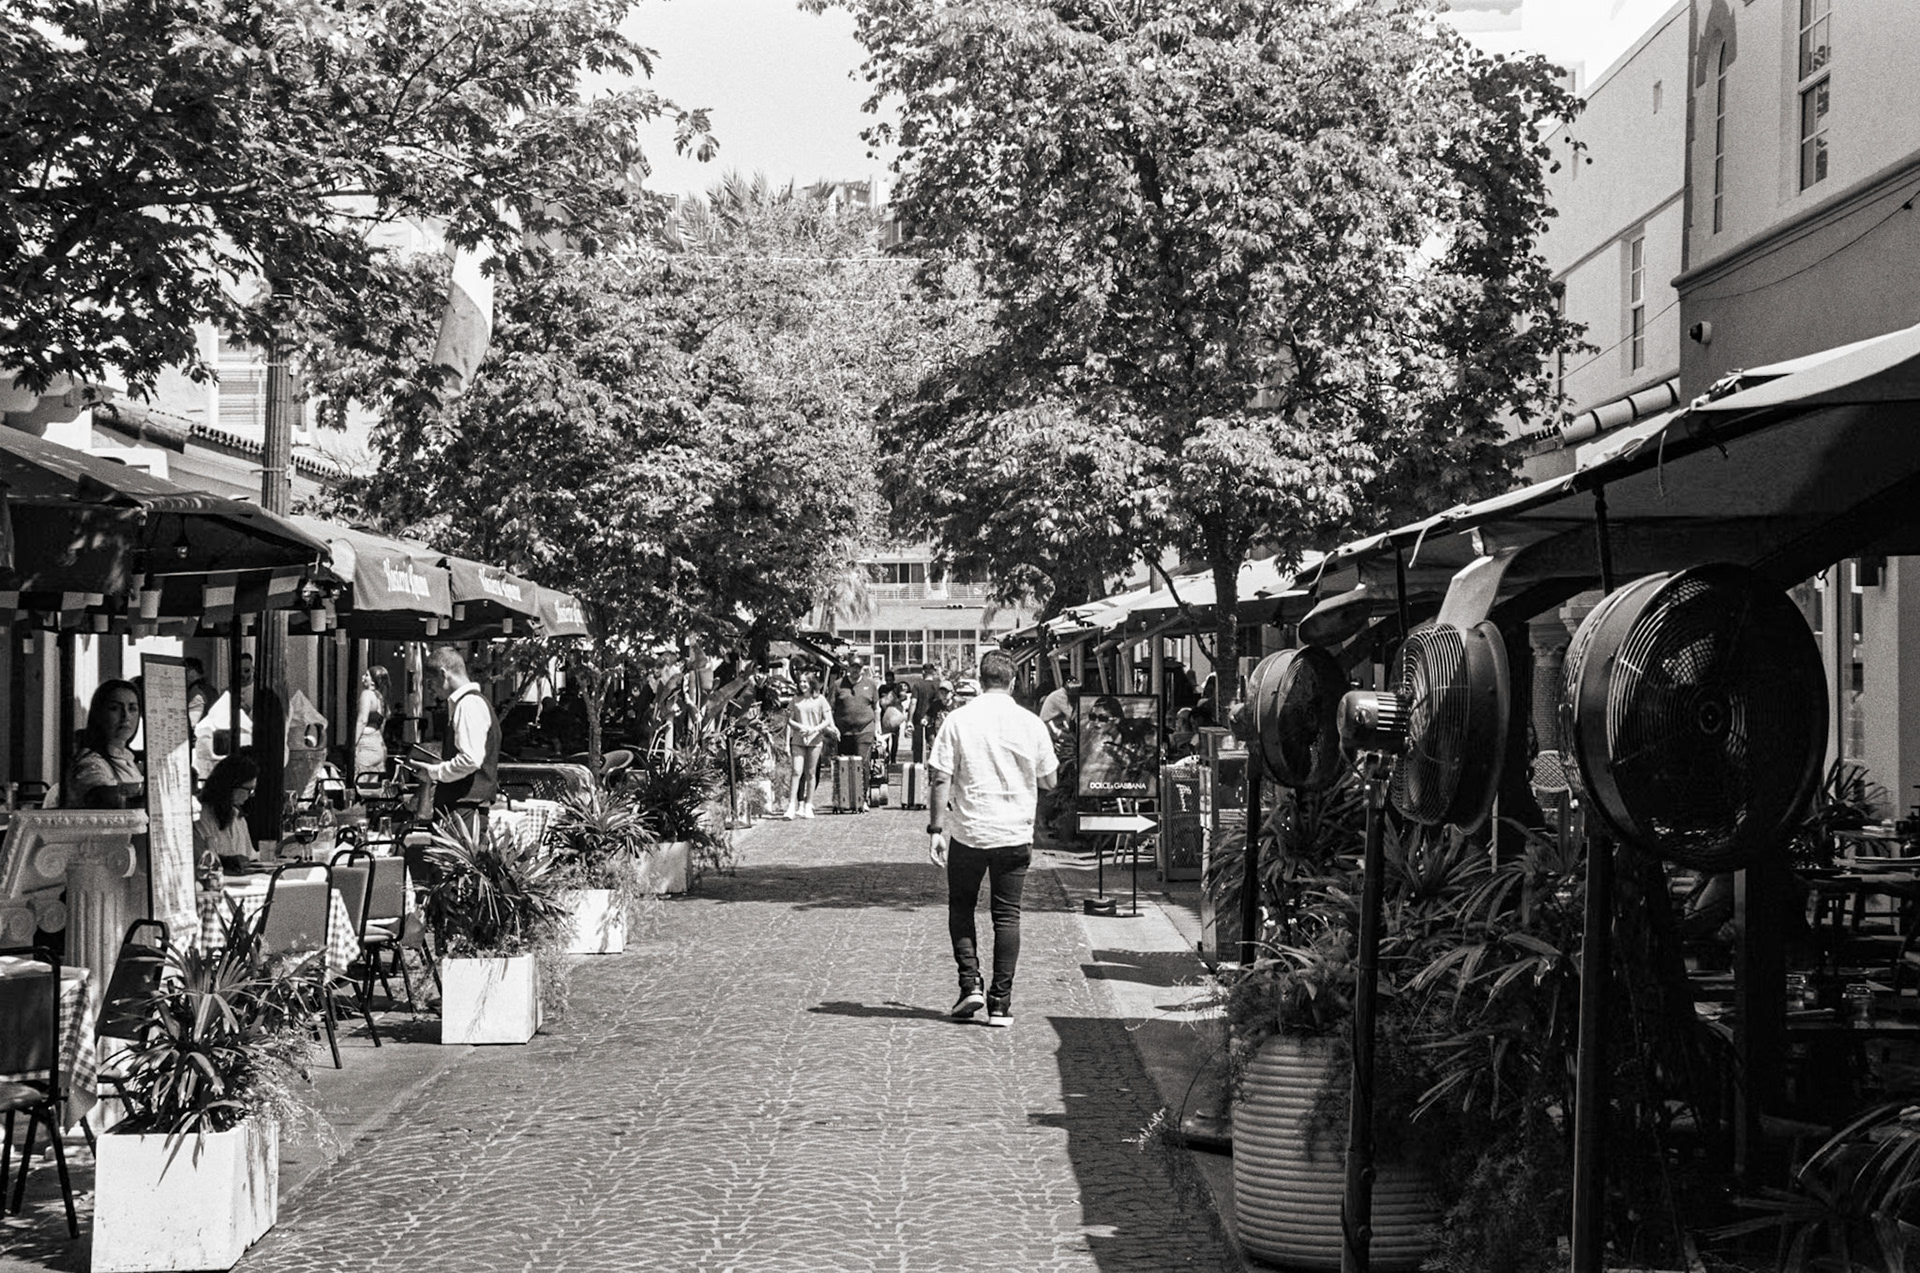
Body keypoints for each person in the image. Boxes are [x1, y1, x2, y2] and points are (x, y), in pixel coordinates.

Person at [927, 650, 1059, 1028]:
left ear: (981, 680)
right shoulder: (1031, 723)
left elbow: (940, 777)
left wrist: (936, 829)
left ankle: (970, 983)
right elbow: (1049, 780)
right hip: (1015, 832)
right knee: (1007, 915)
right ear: (1013, 681)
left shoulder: (958, 719)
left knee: (962, 907)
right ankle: (1000, 1004)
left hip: (970, 831)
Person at [409, 646, 501, 840]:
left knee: (454, 869)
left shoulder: (469, 705)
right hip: (463, 808)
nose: (430, 688)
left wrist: (434, 772)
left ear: (443, 674)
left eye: (431, 681)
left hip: (464, 809)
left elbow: (470, 760)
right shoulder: (470, 703)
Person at [64, 679, 145, 808]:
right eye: (115, 708)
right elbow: (108, 802)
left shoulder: (128, 759)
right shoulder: (90, 763)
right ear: (99, 713)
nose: (126, 716)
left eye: (132, 708)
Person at [195, 752, 259, 875]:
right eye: (248, 790)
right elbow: (201, 858)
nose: (251, 795)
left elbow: (250, 857)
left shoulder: (238, 818)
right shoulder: (202, 815)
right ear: (231, 786)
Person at [831, 662, 880, 812]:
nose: (855, 671)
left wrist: (877, 729)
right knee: (843, 765)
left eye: (858, 668)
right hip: (844, 731)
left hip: (865, 729)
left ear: (862, 669)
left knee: (862, 764)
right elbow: (830, 708)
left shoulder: (870, 684)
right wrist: (832, 727)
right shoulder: (838, 685)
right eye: (852, 667)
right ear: (848, 668)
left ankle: (862, 798)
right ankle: (844, 799)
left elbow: (876, 708)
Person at [784, 672, 833, 819]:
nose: (802, 684)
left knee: (811, 773)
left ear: (812, 683)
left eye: (805, 682)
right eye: (800, 682)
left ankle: (808, 804)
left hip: (815, 740)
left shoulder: (820, 700)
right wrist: (798, 729)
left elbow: (827, 720)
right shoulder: (795, 699)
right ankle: (791, 806)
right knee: (796, 771)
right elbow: (789, 720)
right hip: (798, 740)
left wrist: (814, 729)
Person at [352, 666, 392, 786]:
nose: (363, 677)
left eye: (367, 675)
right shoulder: (381, 698)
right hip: (378, 744)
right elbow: (382, 725)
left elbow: (362, 720)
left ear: (374, 681)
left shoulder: (367, 694)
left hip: (365, 745)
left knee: (359, 786)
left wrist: (353, 744)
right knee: (372, 790)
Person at [184, 657, 215, 730]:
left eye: (185, 671)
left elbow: (193, 722)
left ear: (192, 672)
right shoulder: (211, 690)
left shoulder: (196, 691)